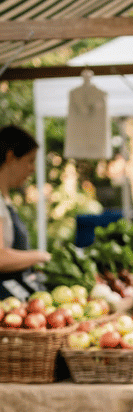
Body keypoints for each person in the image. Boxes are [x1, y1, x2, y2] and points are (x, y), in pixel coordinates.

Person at [0, 125, 51, 300]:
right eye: (30, 160)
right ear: (10, 157)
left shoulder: (5, 201)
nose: (32, 169)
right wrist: (39, 256)